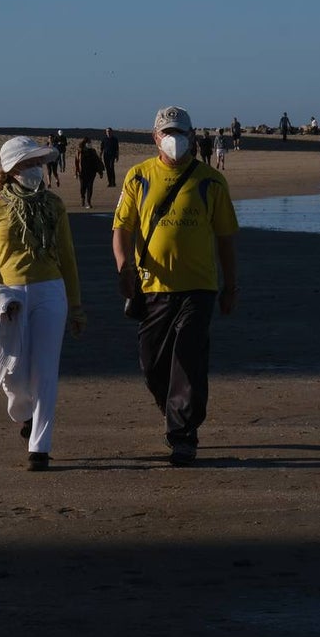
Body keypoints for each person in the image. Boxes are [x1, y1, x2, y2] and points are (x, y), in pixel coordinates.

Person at [112, 105, 238, 466]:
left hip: (199, 287)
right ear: (155, 138)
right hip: (152, 287)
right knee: (152, 363)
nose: (174, 141)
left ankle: (184, 434)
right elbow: (122, 228)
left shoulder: (211, 181)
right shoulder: (138, 177)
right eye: (167, 134)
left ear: (192, 137)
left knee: (189, 357)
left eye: (180, 134)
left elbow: (226, 238)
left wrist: (231, 286)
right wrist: (124, 268)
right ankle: (173, 410)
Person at [0, 136, 86, 472]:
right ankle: (24, 412)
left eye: (38, 162)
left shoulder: (54, 204)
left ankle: (40, 448)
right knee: (16, 373)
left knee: (46, 370)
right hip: (10, 297)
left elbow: (67, 257)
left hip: (51, 292)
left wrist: (76, 305)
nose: (34, 169)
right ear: (10, 169)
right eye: (27, 163)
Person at [73, 137, 104, 208]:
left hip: (91, 172)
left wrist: (100, 172)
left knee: (90, 187)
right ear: (85, 143)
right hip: (82, 172)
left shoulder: (93, 151)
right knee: (82, 187)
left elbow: (97, 162)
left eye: (90, 142)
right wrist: (76, 172)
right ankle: (82, 198)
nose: (90, 143)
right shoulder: (79, 151)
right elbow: (76, 162)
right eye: (88, 142)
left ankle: (89, 202)